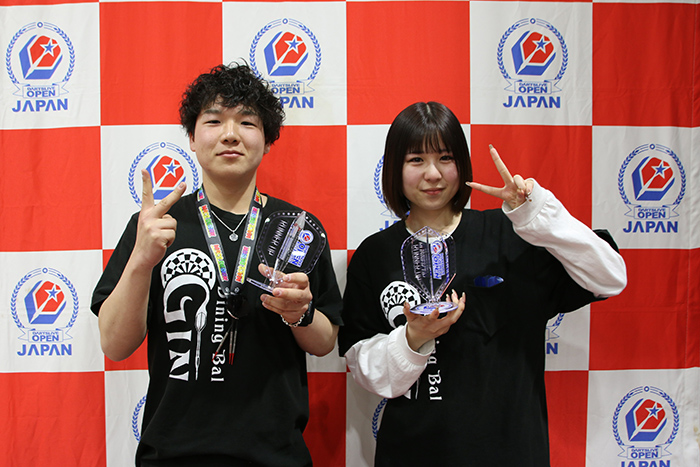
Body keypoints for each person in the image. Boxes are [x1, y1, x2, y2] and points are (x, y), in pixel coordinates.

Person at [338, 102, 627, 466]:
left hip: (511, 449)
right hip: (414, 451)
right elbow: (363, 369)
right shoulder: (375, 254)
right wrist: (412, 339)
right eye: (416, 160)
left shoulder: (513, 234)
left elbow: (609, 277)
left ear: (462, 163)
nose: (432, 174)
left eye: (445, 158)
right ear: (395, 167)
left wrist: (537, 214)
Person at [92, 63, 342, 466]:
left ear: (267, 140)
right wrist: (141, 260)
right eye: (213, 120)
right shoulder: (156, 227)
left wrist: (301, 313)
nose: (230, 134)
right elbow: (115, 345)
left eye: (247, 122)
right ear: (192, 138)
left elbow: (325, 341)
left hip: (275, 455)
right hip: (173, 455)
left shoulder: (296, 229)